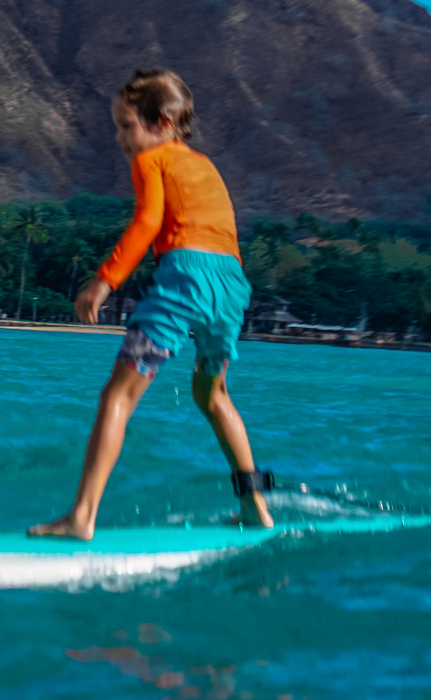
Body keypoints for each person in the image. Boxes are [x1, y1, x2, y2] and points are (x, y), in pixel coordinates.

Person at [30, 68, 274, 539]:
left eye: (126, 125)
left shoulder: (151, 160)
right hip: (231, 286)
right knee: (214, 394)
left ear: (161, 123)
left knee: (117, 395)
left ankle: (82, 517)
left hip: (187, 279)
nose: (120, 137)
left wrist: (105, 281)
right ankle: (255, 508)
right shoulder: (204, 164)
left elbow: (147, 222)